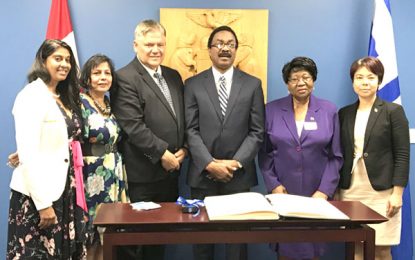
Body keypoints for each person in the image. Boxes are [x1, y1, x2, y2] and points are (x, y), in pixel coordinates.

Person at [184, 25, 265, 260]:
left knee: (237, 243)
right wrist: (209, 164)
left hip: (238, 176)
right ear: (209, 50)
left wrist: (235, 164)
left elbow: (257, 131)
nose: (224, 48)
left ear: (236, 50)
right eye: (219, 43)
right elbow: (190, 130)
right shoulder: (192, 84)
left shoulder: (252, 84)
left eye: (230, 44)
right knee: (201, 241)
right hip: (202, 175)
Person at [110, 19, 186, 260]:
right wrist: (163, 154)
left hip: (171, 174)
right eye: (149, 44)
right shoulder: (124, 77)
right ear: (135, 45)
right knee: (136, 242)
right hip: (142, 176)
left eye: (161, 44)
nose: (156, 50)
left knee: (160, 239)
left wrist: (184, 148)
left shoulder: (174, 76)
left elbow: (180, 119)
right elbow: (133, 125)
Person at [7, 39, 87, 259]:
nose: (64, 64)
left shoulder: (65, 96)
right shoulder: (31, 96)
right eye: (57, 58)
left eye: (68, 60)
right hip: (39, 196)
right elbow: (29, 155)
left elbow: (63, 139)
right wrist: (43, 204)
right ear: (43, 61)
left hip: (66, 190)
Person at [258, 57, 343, 260]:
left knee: (314, 247)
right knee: (286, 247)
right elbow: (264, 153)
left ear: (313, 80)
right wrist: (275, 186)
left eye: (306, 77)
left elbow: (336, 156)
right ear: (287, 84)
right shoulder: (271, 110)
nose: (301, 82)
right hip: (283, 193)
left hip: (317, 195)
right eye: (294, 78)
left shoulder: (329, 110)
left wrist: (324, 191)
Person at [338, 56, 410, 260]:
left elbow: (402, 154)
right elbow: (339, 154)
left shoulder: (393, 111)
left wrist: (397, 193)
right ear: (353, 82)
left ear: (379, 81)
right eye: (359, 77)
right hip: (351, 190)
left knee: (381, 248)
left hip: (383, 193)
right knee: (356, 248)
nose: (364, 82)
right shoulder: (345, 113)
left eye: (370, 77)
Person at [79, 54, 129, 259]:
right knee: (91, 231)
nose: (103, 77)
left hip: (114, 171)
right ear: (87, 77)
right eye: (97, 73)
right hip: (91, 175)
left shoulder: (109, 102)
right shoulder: (79, 102)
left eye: (107, 73)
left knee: (109, 233)